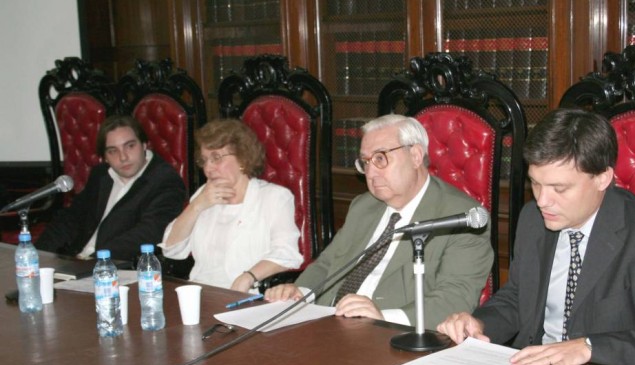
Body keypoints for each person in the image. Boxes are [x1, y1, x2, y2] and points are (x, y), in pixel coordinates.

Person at [437, 108, 635, 365]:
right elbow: (519, 298)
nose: (542, 200)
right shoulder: (533, 218)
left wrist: (589, 348)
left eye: (559, 188)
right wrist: (480, 323)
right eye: (536, 184)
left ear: (603, 178)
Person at [265, 114, 494, 330]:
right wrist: (299, 291)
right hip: (325, 325)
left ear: (415, 156)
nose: (371, 173)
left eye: (380, 159)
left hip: (391, 337)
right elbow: (328, 264)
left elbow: (455, 297)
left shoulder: (461, 217)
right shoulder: (363, 206)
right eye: (365, 162)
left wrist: (384, 318)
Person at [160, 119, 303, 292]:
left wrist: (248, 277)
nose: (208, 168)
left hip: (246, 297)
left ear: (243, 158)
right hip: (201, 294)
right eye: (204, 160)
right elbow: (171, 249)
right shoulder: (203, 195)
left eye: (216, 158)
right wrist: (197, 206)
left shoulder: (274, 197)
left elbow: (286, 254)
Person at [36, 115, 186, 262]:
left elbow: (148, 233)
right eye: (113, 151)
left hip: (116, 268)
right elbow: (70, 218)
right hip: (76, 261)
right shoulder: (101, 175)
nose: (123, 157)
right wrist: (38, 256)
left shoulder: (165, 180)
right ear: (105, 157)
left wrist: (95, 262)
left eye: (130, 146)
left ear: (144, 145)